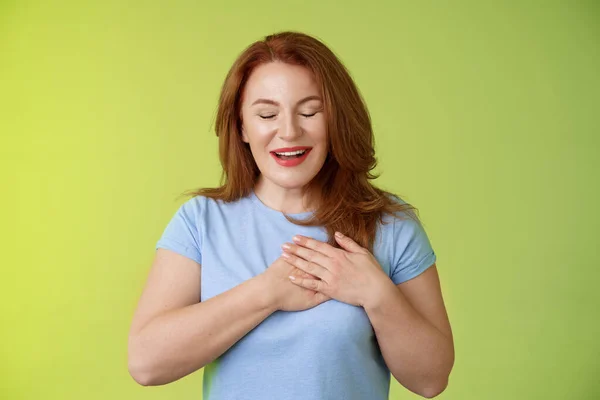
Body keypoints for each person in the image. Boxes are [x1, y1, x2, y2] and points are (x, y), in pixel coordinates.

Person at [128, 31, 454, 399]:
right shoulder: (200, 221)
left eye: (310, 112)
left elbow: (431, 379)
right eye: (267, 114)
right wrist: (267, 293)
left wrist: (376, 293)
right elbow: (146, 363)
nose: (289, 131)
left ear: (336, 122)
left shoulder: (391, 225)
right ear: (242, 128)